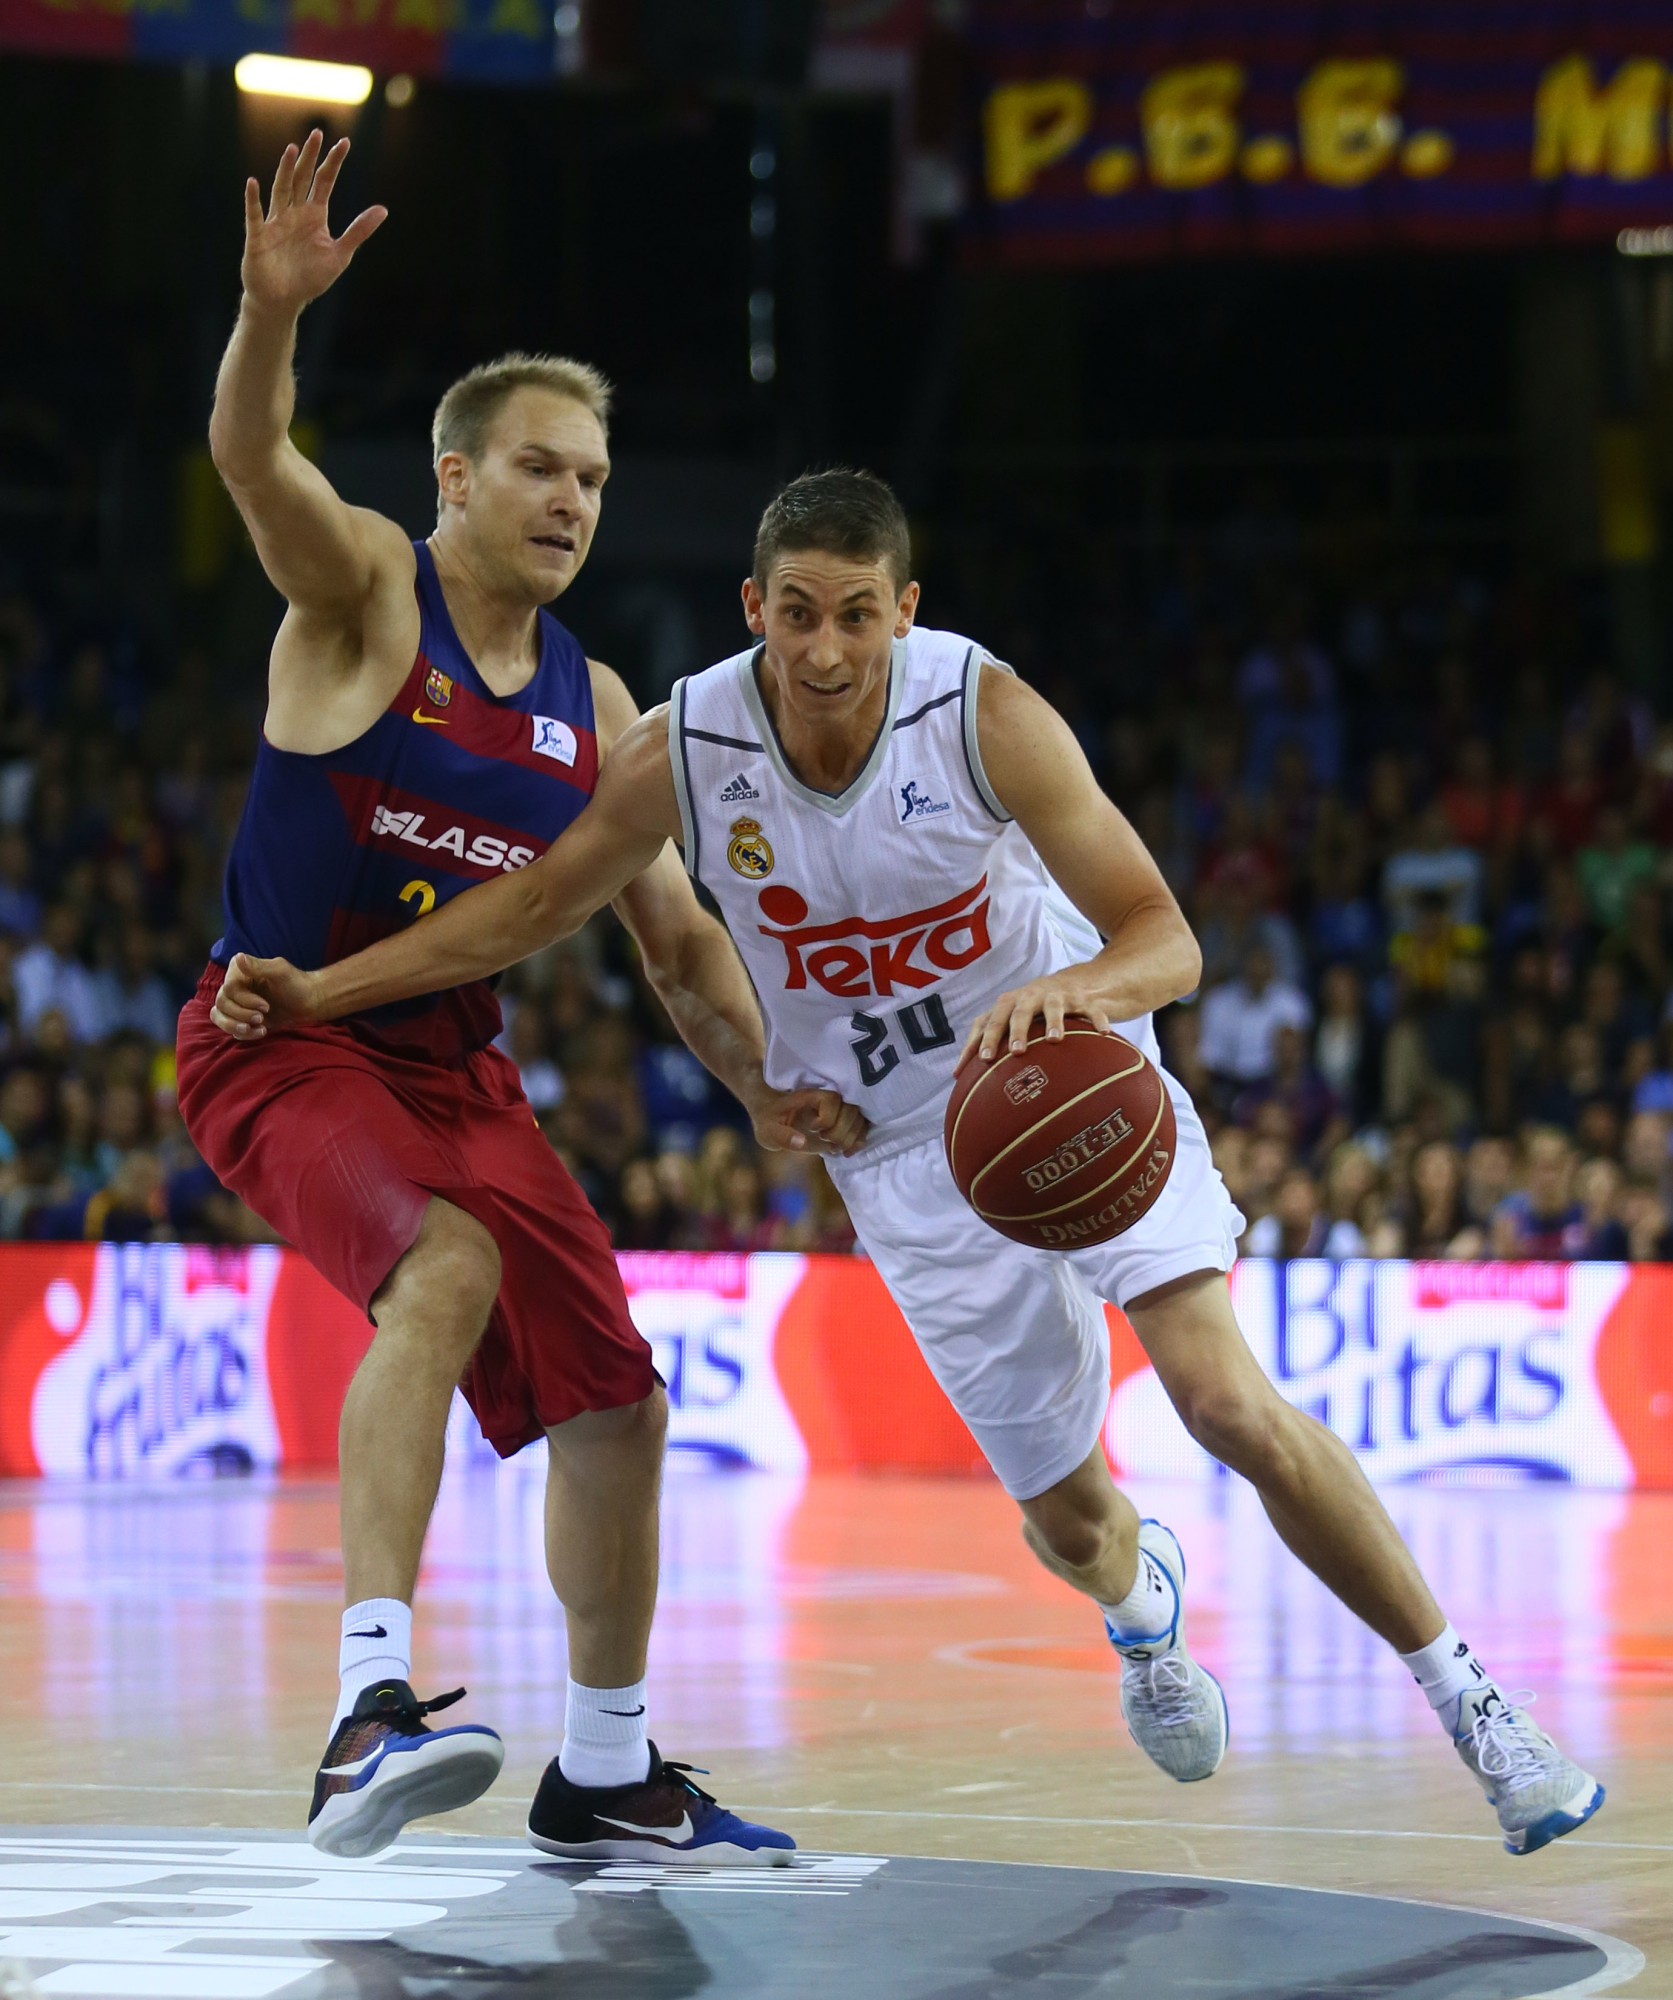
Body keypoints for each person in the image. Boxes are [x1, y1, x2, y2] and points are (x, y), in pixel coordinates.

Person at [213, 468, 1605, 1858]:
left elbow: (1163, 938)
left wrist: (1082, 998)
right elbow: (531, 910)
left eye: (858, 617)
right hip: (906, 1162)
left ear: (904, 613)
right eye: (799, 615)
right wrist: (328, 996)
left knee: (1222, 1401)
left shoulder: (978, 709)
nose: (825, 651)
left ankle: (1479, 1713)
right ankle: (1138, 1613)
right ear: (754, 606)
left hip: (1073, 1094)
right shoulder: (685, 747)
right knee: (1071, 1528)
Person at [176, 133, 865, 1865]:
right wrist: (270, 321)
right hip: (283, 1038)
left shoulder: (604, 703)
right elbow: (251, 460)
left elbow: (685, 944)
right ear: (452, 480)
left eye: (596, 483)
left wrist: (767, 1085)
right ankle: (365, 1710)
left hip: (457, 1075)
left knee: (620, 1403)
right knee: (447, 1266)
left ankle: (608, 1770)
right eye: (540, 471)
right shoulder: (361, 597)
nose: (571, 502)